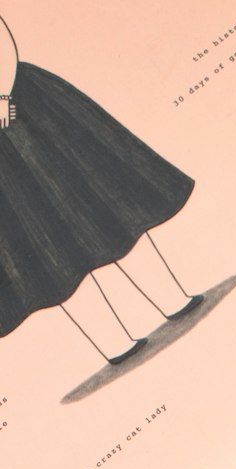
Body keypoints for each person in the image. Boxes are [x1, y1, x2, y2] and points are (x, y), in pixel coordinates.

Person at [0, 13, 202, 365]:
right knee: (44, 250)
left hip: (27, 113)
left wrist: (4, 97)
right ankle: (113, 342)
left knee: (103, 203)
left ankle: (171, 298)